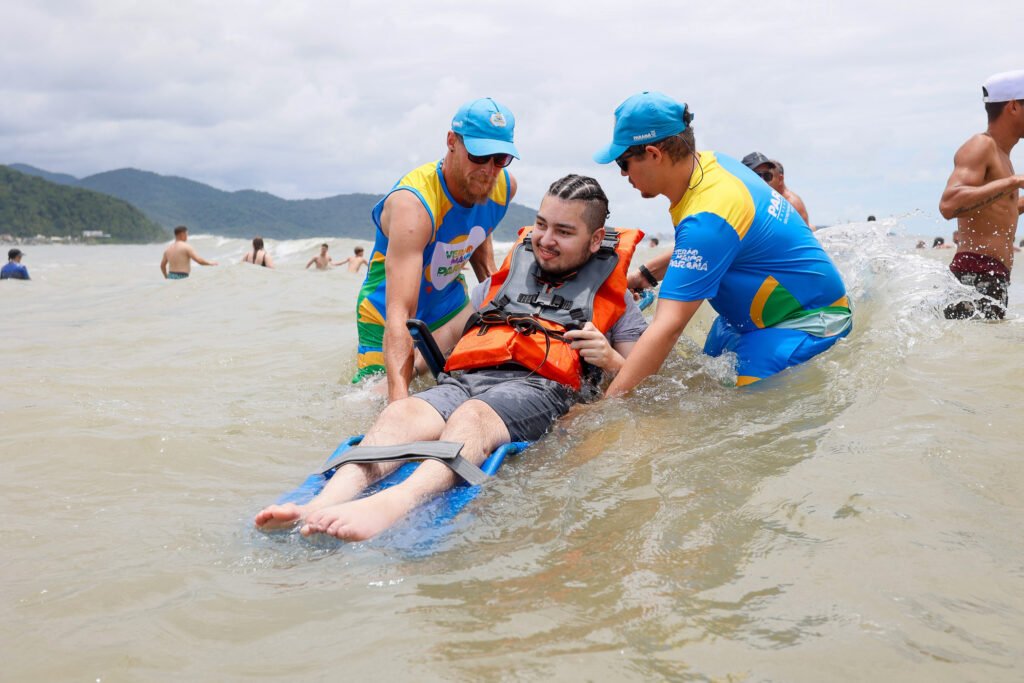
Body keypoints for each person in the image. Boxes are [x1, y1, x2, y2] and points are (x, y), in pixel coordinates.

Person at [255, 175, 646, 540]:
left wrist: (610, 359)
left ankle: (396, 502)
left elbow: (645, 380)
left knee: (472, 416)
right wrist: (392, 380)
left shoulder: (617, 303)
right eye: (541, 224)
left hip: (536, 389)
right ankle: (322, 502)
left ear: (595, 239)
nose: (545, 239)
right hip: (466, 379)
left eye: (564, 231)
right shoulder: (502, 283)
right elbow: (448, 336)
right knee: (401, 412)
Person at [593, 91, 851, 392]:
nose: (622, 174)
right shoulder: (713, 165)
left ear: (653, 154)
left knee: (738, 412)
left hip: (802, 324)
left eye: (623, 162)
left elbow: (668, 327)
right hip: (752, 318)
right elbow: (711, 244)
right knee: (696, 381)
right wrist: (645, 275)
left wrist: (605, 410)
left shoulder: (709, 216)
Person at [353, 97, 520, 400]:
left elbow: (478, 237)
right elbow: (400, 313)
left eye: (500, 159)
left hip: (449, 307)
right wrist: (398, 404)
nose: (488, 169)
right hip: (386, 315)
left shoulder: (504, 188)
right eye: (479, 156)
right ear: (452, 141)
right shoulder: (413, 206)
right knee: (373, 399)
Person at [939, 69, 1024, 320]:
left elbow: (996, 211)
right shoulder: (981, 145)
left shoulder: (1002, 155)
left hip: (992, 276)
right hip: (974, 275)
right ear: (1013, 107)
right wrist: (1015, 181)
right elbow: (949, 204)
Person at [741, 152, 814, 229]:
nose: (763, 181)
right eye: (756, 176)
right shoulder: (762, 200)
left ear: (780, 179)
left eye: (767, 176)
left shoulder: (789, 203)